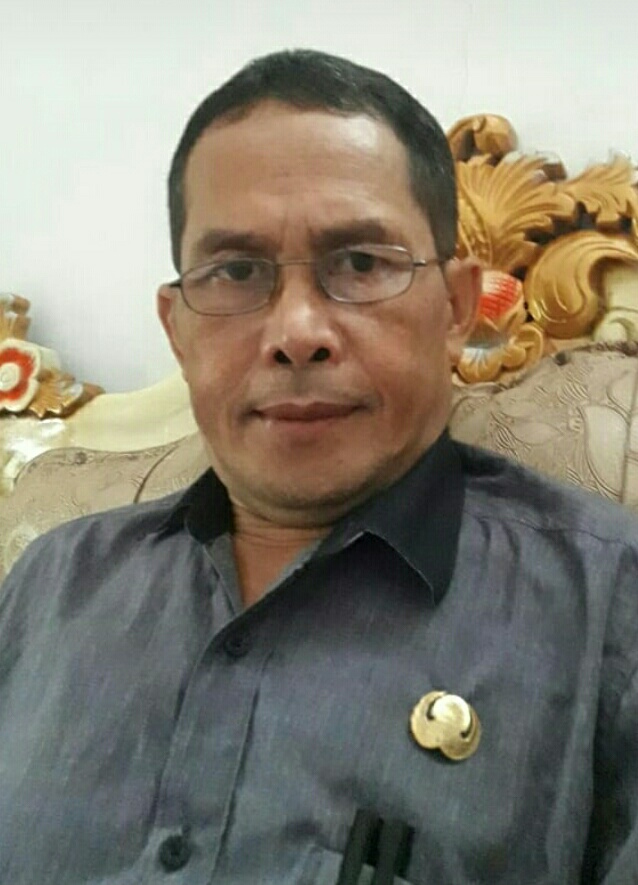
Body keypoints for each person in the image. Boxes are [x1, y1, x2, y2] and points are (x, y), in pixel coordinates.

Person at [0, 49, 636, 885]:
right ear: (178, 328)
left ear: (455, 307)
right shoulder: (51, 583)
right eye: (236, 272)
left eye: (360, 264)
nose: (297, 331)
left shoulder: (608, 607)